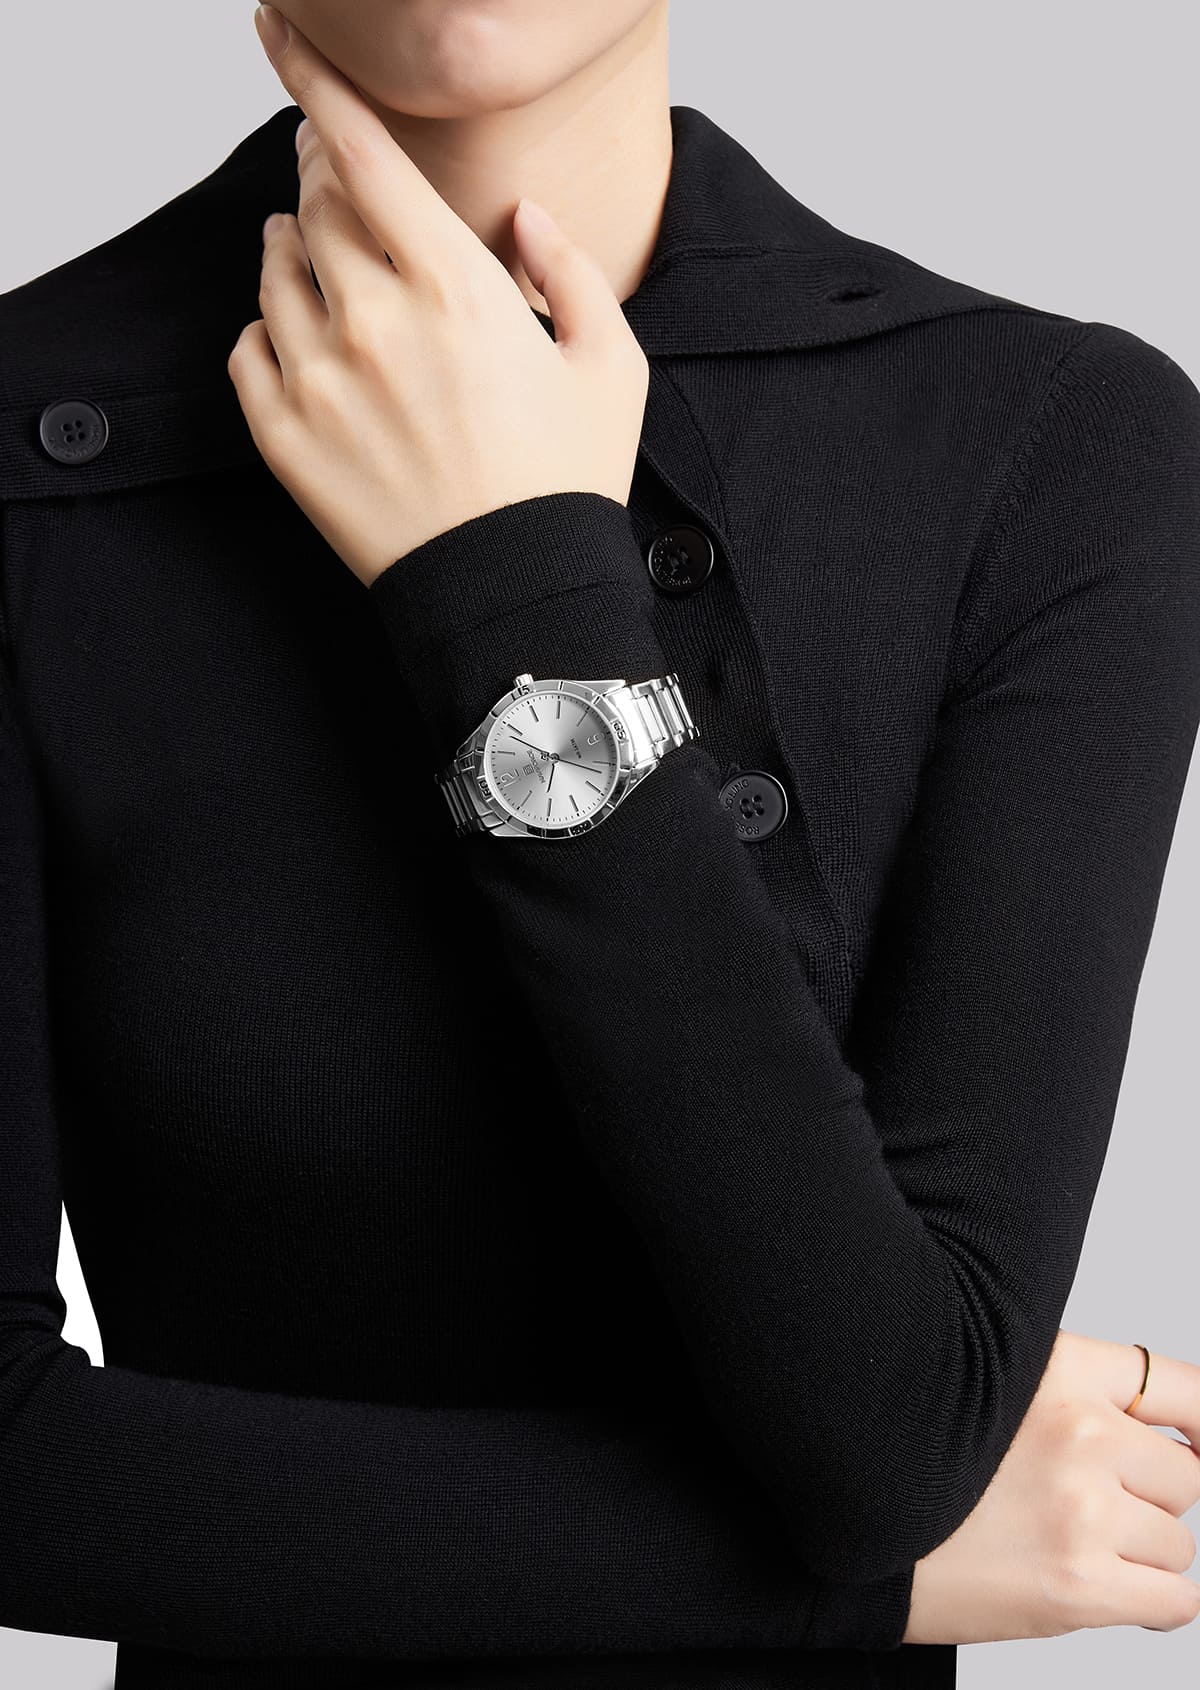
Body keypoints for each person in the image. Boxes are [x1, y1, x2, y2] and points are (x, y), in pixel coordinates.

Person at [1, 2, 1198, 1686]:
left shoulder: (1048, 444)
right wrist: (848, 1587)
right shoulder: (26, 450)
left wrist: (507, 577)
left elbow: (883, 1436)